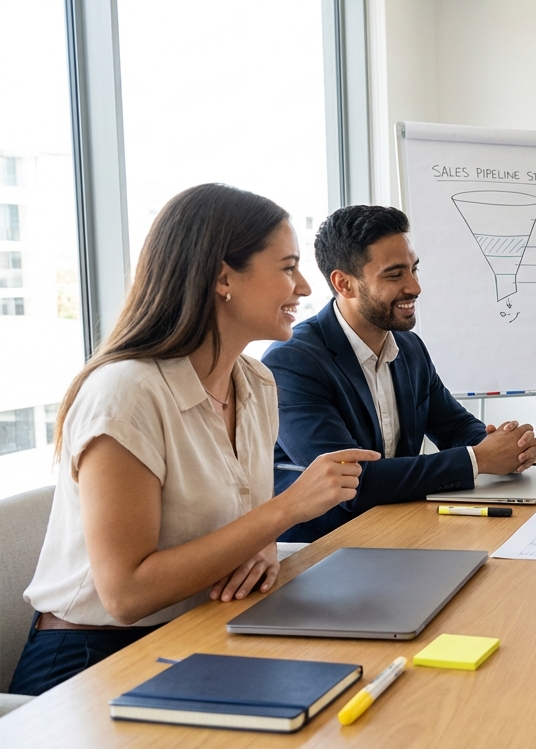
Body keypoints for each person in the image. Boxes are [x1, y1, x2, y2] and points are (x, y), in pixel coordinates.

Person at [12, 184, 377, 696]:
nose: (303, 288)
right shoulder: (127, 395)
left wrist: (263, 550)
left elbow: (235, 529)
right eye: (287, 267)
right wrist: (284, 511)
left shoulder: (255, 383)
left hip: (200, 634)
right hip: (91, 661)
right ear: (223, 277)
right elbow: (125, 594)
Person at [262, 205, 536, 544]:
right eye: (395, 275)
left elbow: (453, 426)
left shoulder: (409, 348)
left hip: (399, 527)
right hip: (323, 545)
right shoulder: (292, 362)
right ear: (344, 283)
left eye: (414, 269)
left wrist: (507, 445)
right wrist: (479, 459)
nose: (415, 287)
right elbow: (352, 482)